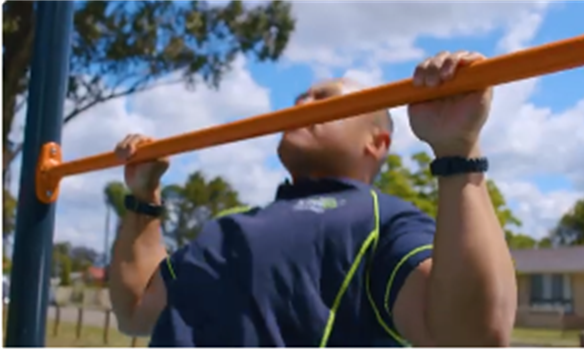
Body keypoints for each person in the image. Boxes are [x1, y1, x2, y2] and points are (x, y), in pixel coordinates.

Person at [109, 51, 517, 347]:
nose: (302, 104)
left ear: (377, 142)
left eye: (325, 99)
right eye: (299, 99)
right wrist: (144, 196)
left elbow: (471, 338)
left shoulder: (384, 219)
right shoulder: (227, 224)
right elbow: (134, 311)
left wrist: (456, 150)